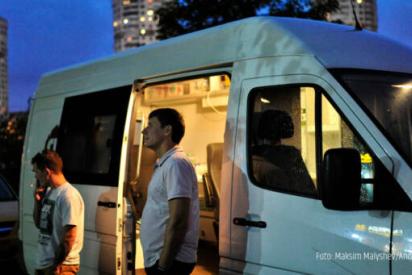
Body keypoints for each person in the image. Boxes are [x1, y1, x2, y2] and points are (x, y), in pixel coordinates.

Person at [140, 108, 199, 275]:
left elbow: (179, 219)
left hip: (170, 261)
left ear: (167, 130)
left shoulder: (176, 163)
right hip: (162, 259)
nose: (144, 130)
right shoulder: (165, 163)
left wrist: (163, 265)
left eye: (150, 125)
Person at [32, 150, 84, 275]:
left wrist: (57, 264)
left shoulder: (69, 196)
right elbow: (39, 224)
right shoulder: (49, 192)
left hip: (61, 267)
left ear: (46, 171)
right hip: (44, 264)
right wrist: (37, 202)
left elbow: (70, 235)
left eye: (36, 172)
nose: (35, 176)